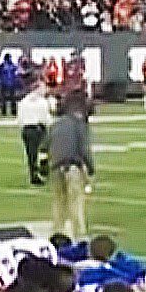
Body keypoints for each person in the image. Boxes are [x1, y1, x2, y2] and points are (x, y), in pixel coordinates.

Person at [46, 91, 95, 239]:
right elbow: (84, 148)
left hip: (55, 167)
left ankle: (57, 234)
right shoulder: (78, 125)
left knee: (58, 204)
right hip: (72, 167)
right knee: (76, 203)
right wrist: (90, 168)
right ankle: (79, 236)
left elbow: (45, 146)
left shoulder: (55, 125)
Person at [17, 82, 54, 185]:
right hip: (38, 128)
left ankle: (34, 174)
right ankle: (43, 168)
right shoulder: (42, 102)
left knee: (31, 154)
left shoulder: (23, 101)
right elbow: (45, 118)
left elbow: (20, 118)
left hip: (26, 129)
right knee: (44, 149)